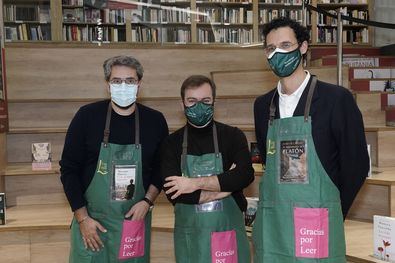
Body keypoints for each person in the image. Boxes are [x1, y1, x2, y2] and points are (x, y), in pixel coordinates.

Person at [252, 17, 370, 262]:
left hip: (316, 221)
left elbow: (356, 165)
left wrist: (332, 210)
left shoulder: (336, 99)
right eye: (271, 49)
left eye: (285, 45)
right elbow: (267, 159)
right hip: (275, 223)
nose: (278, 54)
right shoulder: (263, 105)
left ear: (303, 47)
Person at [60, 55, 168, 262]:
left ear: (139, 84)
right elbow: (69, 169)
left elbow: (161, 168)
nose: (123, 86)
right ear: (108, 85)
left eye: (130, 81)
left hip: (134, 221)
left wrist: (147, 201)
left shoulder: (155, 121)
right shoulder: (87, 116)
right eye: (117, 81)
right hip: (92, 222)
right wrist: (82, 219)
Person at [160, 75, 254, 263]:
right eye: (192, 101)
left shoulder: (233, 136)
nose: (199, 106)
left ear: (214, 103)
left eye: (205, 101)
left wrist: (192, 184)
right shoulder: (171, 143)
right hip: (191, 237)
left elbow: (244, 175)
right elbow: (175, 193)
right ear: (182, 105)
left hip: (227, 233)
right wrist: (225, 188)